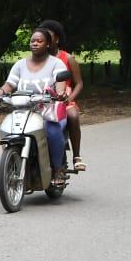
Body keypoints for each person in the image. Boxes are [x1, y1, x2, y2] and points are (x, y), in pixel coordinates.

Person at [0, 28, 71, 185]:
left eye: (39, 41)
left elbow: (61, 84)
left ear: (48, 44)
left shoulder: (56, 63)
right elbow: (10, 84)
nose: (35, 43)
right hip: (23, 109)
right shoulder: (20, 64)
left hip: (48, 110)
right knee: (9, 129)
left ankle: (58, 169)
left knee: (52, 131)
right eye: (33, 40)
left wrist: (60, 94)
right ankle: (14, 163)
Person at [39, 19, 86, 172]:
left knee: (72, 116)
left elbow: (79, 83)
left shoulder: (68, 58)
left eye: (49, 37)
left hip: (64, 98)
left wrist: (70, 100)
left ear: (57, 39)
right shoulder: (37, 59)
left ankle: (77, 156)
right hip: (42, 97)